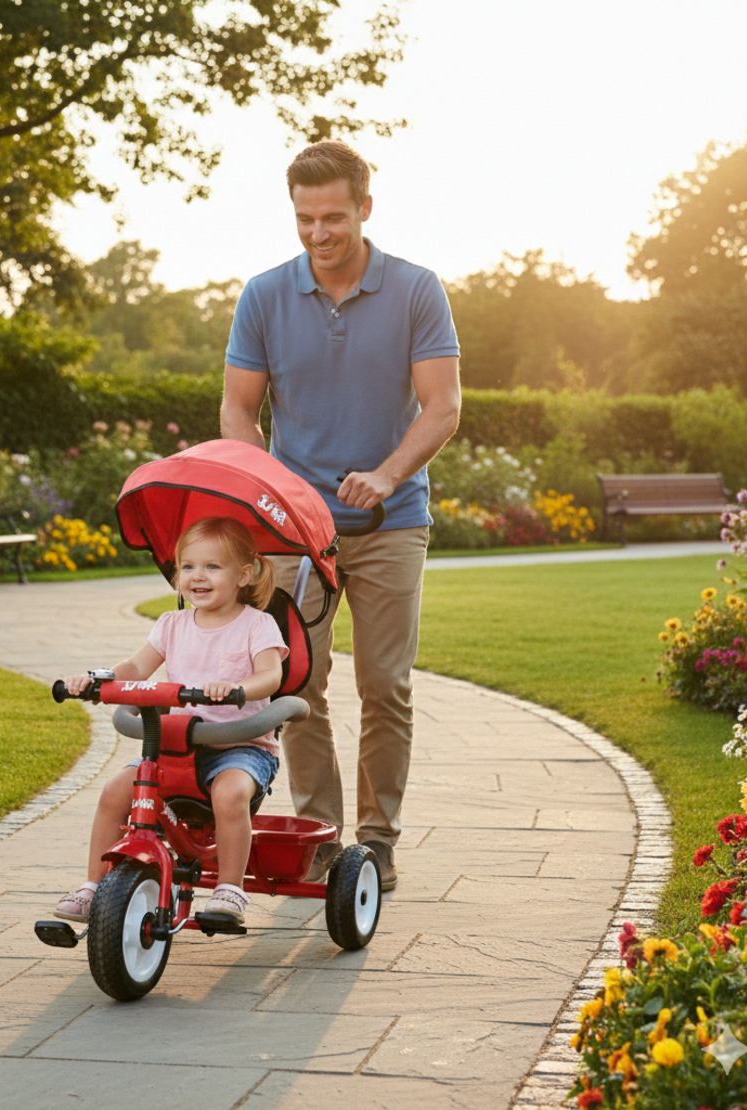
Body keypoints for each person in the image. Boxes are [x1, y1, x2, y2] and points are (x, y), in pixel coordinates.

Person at [220, 139, 461, 890]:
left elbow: (443, 405)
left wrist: (388, 475)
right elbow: (238, 406)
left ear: (364, 208)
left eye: (333, 218)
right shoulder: (263, 294)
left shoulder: (417, 290)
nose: (319, 234)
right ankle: (320, 836)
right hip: (295, 532)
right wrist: (266, 493)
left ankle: (379, 841)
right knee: (297, 687)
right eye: (304, 219)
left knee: (386, 685)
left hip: (391, 524)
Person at [54, 517, 288, 925]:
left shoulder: (256, 624)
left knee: (231, 794)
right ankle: (93, 887)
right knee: (114, 791)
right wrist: (96, 682)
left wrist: (238, 688)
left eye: (213, 567)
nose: (198, 576)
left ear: (243, 575)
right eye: (188, 566)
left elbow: (272, 675)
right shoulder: (171, 624)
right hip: (176, 748)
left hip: (240, 747)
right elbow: (136, 666)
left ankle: (230, 890)